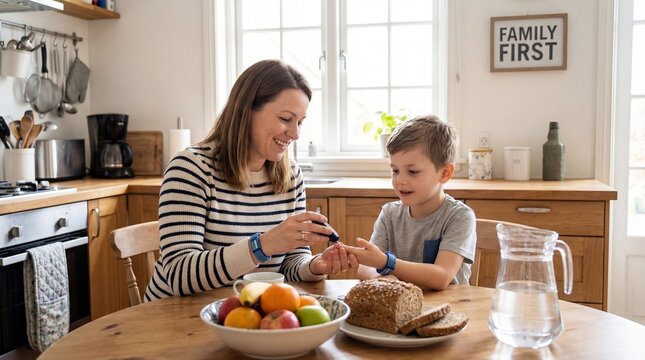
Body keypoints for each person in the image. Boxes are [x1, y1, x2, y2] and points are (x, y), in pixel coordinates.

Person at [145, 60, 358, 301]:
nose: (296, 134)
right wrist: (261, 246)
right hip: (174, 316)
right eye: (286, 118)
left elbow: (290, 263)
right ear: (247, 111)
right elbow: (179, 275)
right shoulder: (191, 168)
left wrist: (315, 266)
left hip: (248, 313)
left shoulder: (290, 177)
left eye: (300, 122)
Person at [343, 115, 476, 290]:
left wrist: (386, 262)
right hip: (401, 309)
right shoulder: (390, 213)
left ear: (444, 173)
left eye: (412, 171)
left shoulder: (459, 216)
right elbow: (367, 265)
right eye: (395, 170)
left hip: (448, 308)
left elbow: (441, 276)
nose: (400, 180)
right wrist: (380, 277)